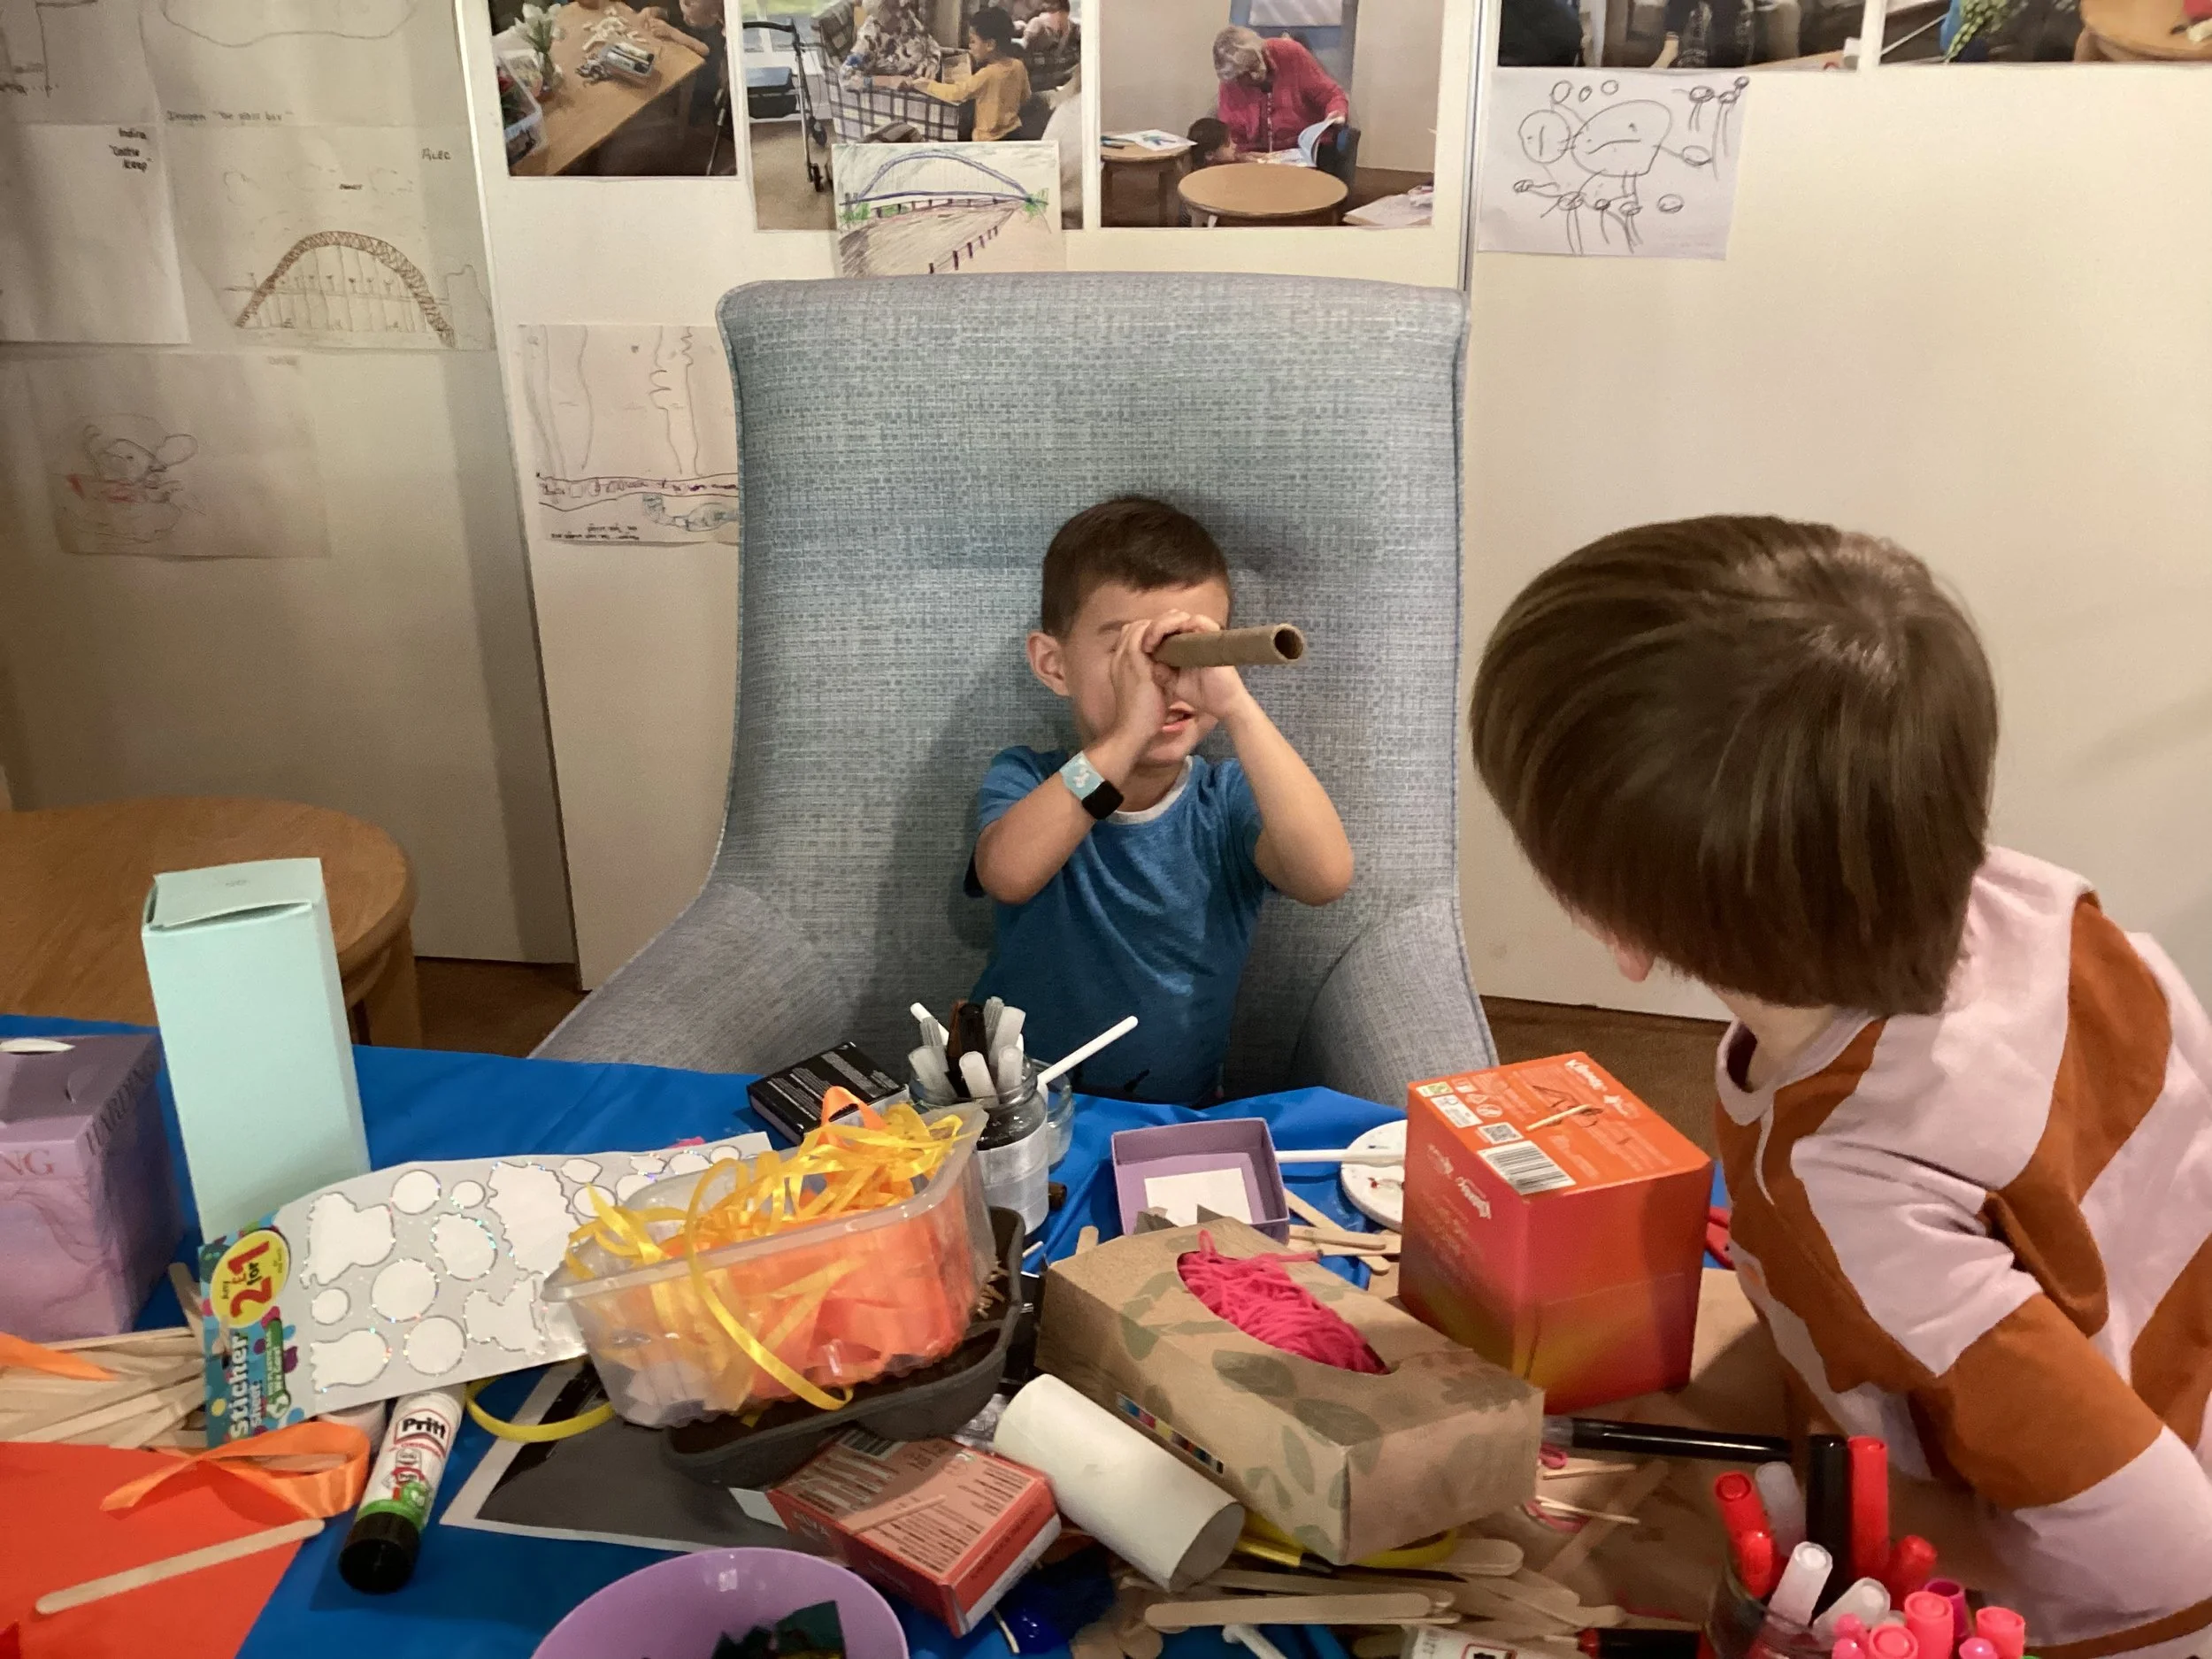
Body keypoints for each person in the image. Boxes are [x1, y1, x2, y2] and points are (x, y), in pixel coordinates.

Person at [1468, 515, 2212, 1655]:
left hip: (2094, 1604)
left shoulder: (1852, 1193)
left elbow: (2169, 1552)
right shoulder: (2042, 904)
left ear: (1614, 930)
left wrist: (1903, 1552)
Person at [967, 497, 1354, 1103]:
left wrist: (1237, 706)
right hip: (1016, 1107)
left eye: (1188, 648)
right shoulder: (1029, 779)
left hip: (1172, 1113)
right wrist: (1126, 735)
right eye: (1128, 650)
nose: (1164, 676)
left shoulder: (1225, 801)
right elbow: (1008, 874)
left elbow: (1325, 876)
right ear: (1054, 665)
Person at [878, 4, 1029, 141]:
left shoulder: (986, 75)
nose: (970, 46)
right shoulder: (1019, 66)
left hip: (988, 138)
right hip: (1014, 131)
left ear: (990, 45)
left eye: (973, 41)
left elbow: (957, 93)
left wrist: (928, 85)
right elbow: (1025, 97)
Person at [1210, 26, 1347, 157]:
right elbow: (1231, 136)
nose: (1253, 76)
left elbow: (1332, 95)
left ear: (1261, 52)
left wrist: (1336, 114)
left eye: (1253, 66)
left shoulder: (1290, 53)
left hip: (1302, 151)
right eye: (1243, 75)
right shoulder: (1231, 78)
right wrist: (1242, 156)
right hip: (1255, 158)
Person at [841, 0, 939, 86]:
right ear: (876, 11)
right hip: (905, 93)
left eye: (901, 7)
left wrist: (932, 64)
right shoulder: (869, 39)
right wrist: (889, 82)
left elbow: (930, 42)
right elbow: (846, 78)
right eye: (892, 8)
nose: (899, 14)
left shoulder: (905, 16)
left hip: (929, 80)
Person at [1020, 0, 1079, 92]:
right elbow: (1023, 46)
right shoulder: (1037, 23)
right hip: (1038, 80)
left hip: (1057, 79)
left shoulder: (1071, 26)